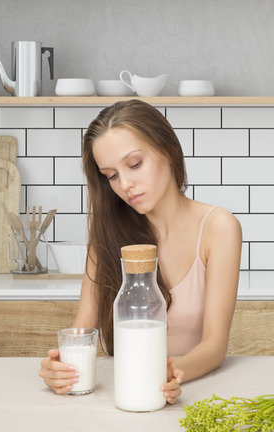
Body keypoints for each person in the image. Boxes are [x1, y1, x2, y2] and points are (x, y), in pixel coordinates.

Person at [39, 99, 242, 404]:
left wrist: (172, 373)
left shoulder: (219, 228)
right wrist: (60, 368)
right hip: (125, 390)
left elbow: (214, 345)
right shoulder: (107, 232)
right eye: (111, 175)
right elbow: (83, 330)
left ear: (169, 150)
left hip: (190, 392)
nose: (126, 185)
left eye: (134, 164)